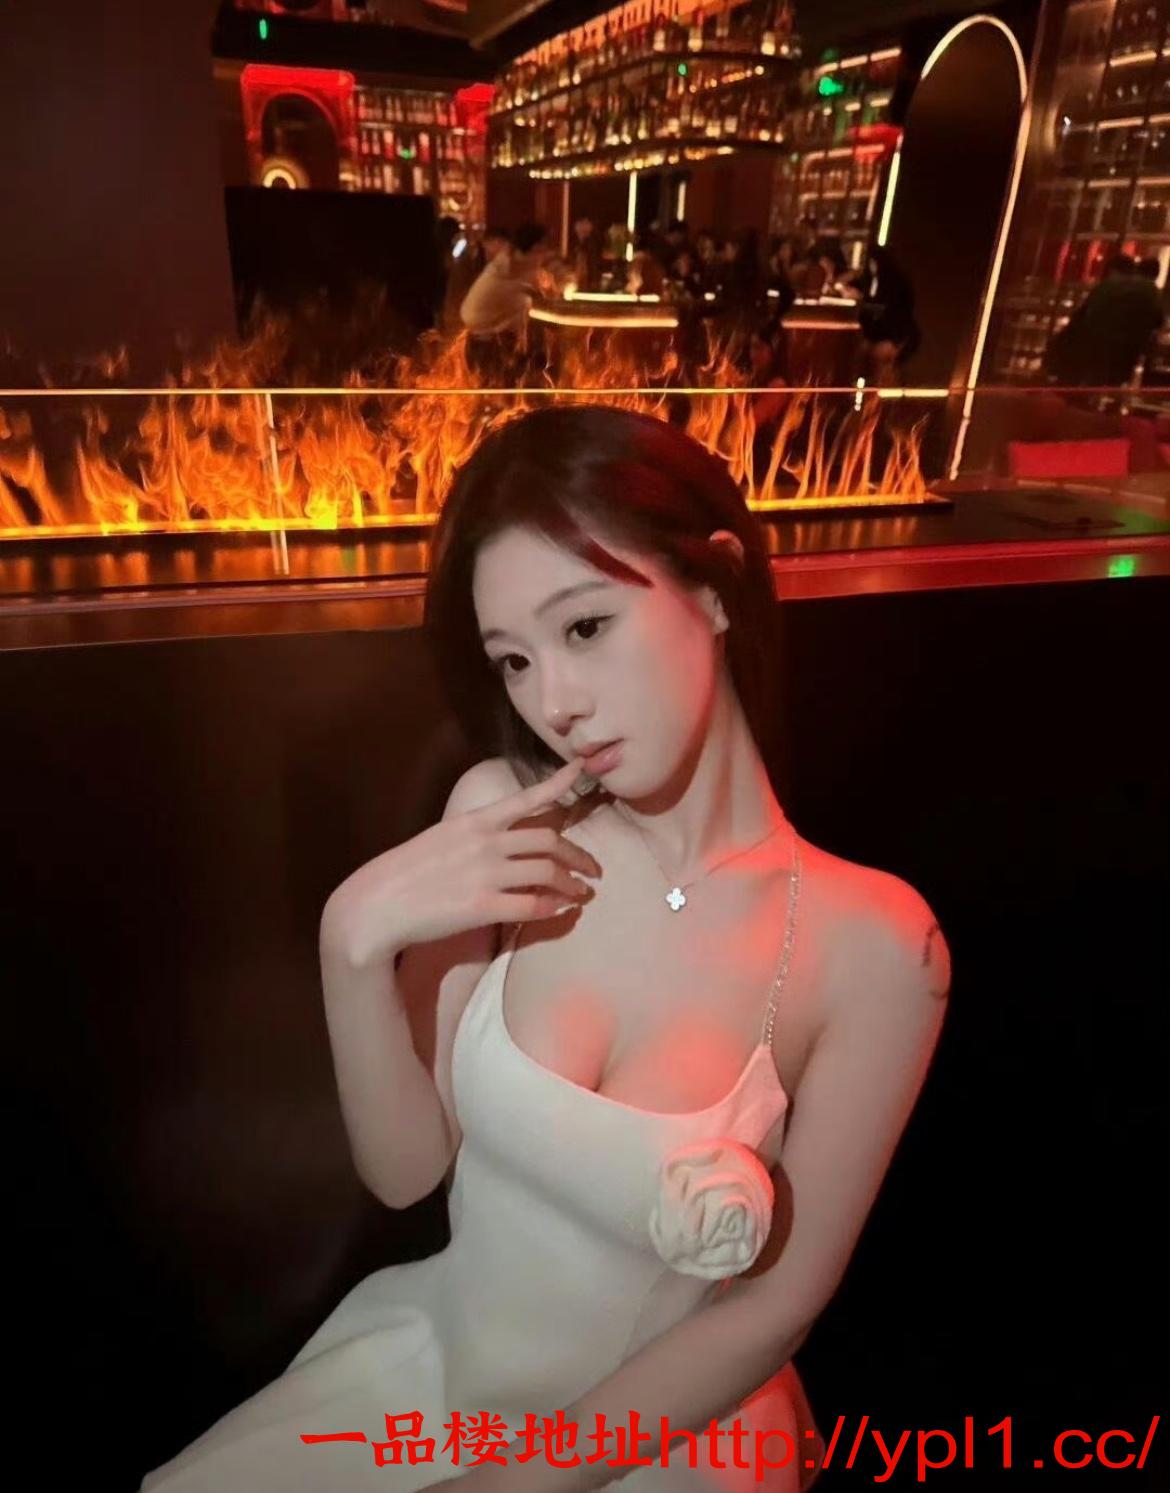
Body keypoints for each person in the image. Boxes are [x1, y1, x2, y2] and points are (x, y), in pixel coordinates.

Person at [140, 405, 951, 1492]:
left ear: (716, 587)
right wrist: (349, 943)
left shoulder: (878, 943)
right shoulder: (504, 820)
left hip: (655, 1447)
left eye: (586, 628)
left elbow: (775, 1306)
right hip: (438, 1381)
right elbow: (405, 1169)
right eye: (513, 660)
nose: (554, 702)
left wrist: (509, 1487)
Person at [1045, 252, 1164, 388]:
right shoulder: (1151, 291)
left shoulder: (1108, 286)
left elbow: (1086, 313)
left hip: (1096, 342)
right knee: (1112, 382)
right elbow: (1158, 320)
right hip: (1127, 348)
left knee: (1091, 379)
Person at [847, 244, 920, 386]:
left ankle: (876, 391)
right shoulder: (872, 279)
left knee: (873, 359)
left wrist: (862, 301)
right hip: (880, 333)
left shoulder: (894, 282)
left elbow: (887, 309)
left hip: (892, 334)